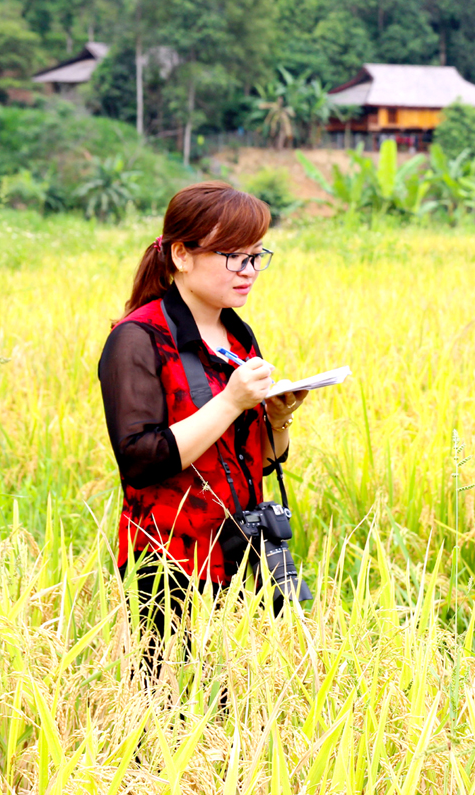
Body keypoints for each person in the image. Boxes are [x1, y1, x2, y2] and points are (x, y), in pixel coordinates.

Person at [97, 181, 308, 668]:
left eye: (257, 256)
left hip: (242, 554)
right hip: (170, 562)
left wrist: (278, 418)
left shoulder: (236, 333)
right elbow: (140, 460)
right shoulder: (138, 338)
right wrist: (234, 399)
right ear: (182, 255)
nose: (249, 271)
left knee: (236, 716)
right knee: (167, 713)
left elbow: (261, 458)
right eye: (235, 256)